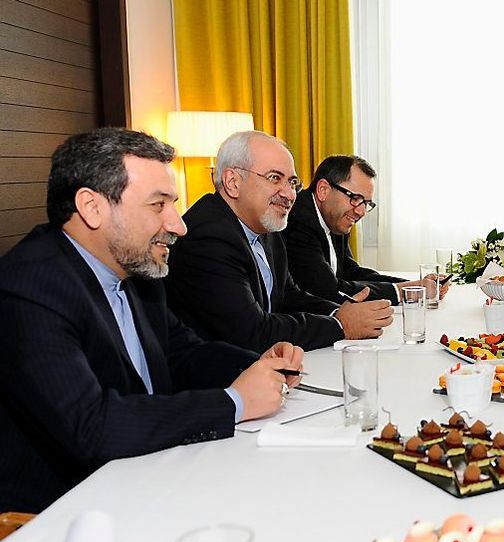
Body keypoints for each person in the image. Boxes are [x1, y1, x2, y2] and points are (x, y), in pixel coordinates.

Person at [0, 128, 303, 513]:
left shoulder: (137, 271)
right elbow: (91, 428)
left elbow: (181, 354)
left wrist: (257, 363)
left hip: (148, 474)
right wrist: (234, 402)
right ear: (92, 207)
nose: (179, 225)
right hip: (62, 513)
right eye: (158, 206)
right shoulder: (30, 287)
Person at [165, 131, 394, 352]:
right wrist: (342, 325)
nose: (289, 194)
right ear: (233, 182)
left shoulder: (266, 224)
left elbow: (289, 296)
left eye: (292, 182)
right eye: (275, 178)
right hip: (219, 379)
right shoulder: (209, 236)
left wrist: (340, 312)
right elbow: (253, 332)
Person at [282, 154, 449, 304]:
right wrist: (406, 291)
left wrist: (414, 285)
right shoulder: (298, 221)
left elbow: (351, 272)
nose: (361, 212)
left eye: (366, 204)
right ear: (323, 190)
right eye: (355, 198)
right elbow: (329, 291)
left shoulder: (335, 216)